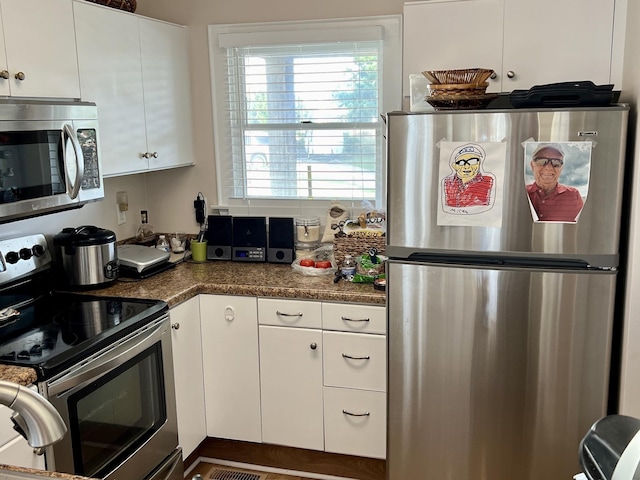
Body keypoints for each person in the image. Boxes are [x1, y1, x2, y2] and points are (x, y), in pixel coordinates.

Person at [526, 143, 584, 222]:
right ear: (532, 165)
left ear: (561, 168)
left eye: (556, 162)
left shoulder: (574, 195)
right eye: (542, 161)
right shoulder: (521, 193)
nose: (549, 167)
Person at [443, 144, 495, 208]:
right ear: (454, 166)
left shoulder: (488, 182)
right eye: (461, 162)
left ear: (479, 163)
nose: (467, 166)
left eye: (472, 161)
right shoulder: (448, 183)